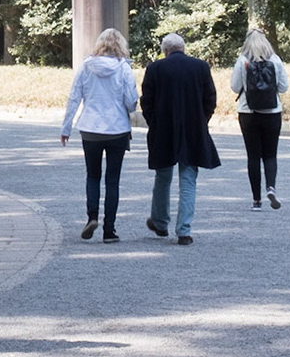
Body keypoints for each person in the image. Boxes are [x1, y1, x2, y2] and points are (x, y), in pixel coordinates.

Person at [62, 28, 141, 241]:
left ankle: (92, 216)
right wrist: (132, 104)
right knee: (113, 180)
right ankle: (109, 230)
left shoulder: (86, 66)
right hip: (117, 129)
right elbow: (130, 101)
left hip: (90, 129)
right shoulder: (124, 68)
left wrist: (66, 128)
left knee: (93, 175)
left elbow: (74, 97)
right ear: (121, 46)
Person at [141, 33, 220, 245]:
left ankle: (159, 222)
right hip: (193, 129)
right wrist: (202, 120)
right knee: (188, 180)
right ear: (183, 48)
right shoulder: (200, 67)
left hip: (163, 130)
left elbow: (146, 102)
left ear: (165, 50)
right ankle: (184, 230)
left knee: (162, 177)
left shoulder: (155, 69)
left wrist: (154, 123)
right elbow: (210, 98)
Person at [231, 28, 290, 213]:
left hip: (248, 113)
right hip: (272, 112)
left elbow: (235, 87)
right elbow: (283, 87)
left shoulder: (242, 61)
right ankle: (271, 188)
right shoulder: (275, 60)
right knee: (270, 154)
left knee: (253, 156)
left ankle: (256, 200)